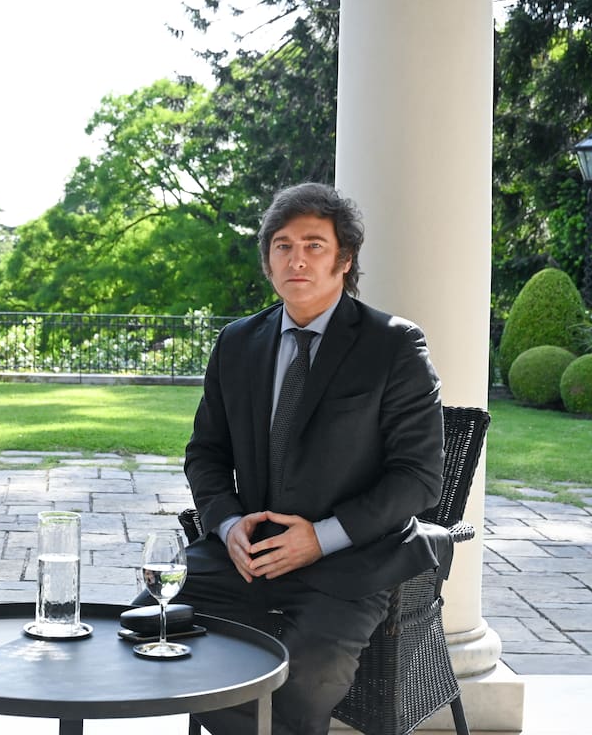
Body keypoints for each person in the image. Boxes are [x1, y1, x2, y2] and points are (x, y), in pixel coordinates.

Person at [164, 182, 448, 734]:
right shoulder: (237, 343)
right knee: (145, 635)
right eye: (283, 245)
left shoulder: (394, 345)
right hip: (247, 558)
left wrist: (320, 537)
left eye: (314, 245)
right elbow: (205, 453)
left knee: (296, 685)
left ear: (344, 260)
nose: (297, 258)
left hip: (351, 562)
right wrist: (225, 526)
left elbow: (419, 478)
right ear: (268, 260)